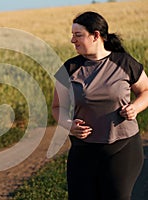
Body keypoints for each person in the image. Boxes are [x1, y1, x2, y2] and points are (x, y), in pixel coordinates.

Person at [52, 11, 148, 200]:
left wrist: (135, 108)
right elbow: (57, 107)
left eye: (78, 35)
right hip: (83, 151)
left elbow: (146, 91)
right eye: (72, 35)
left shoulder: (124, 63)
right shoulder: (69, 68)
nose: (72, 40)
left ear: (96, 35)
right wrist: (69, 125)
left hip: (123, 147)